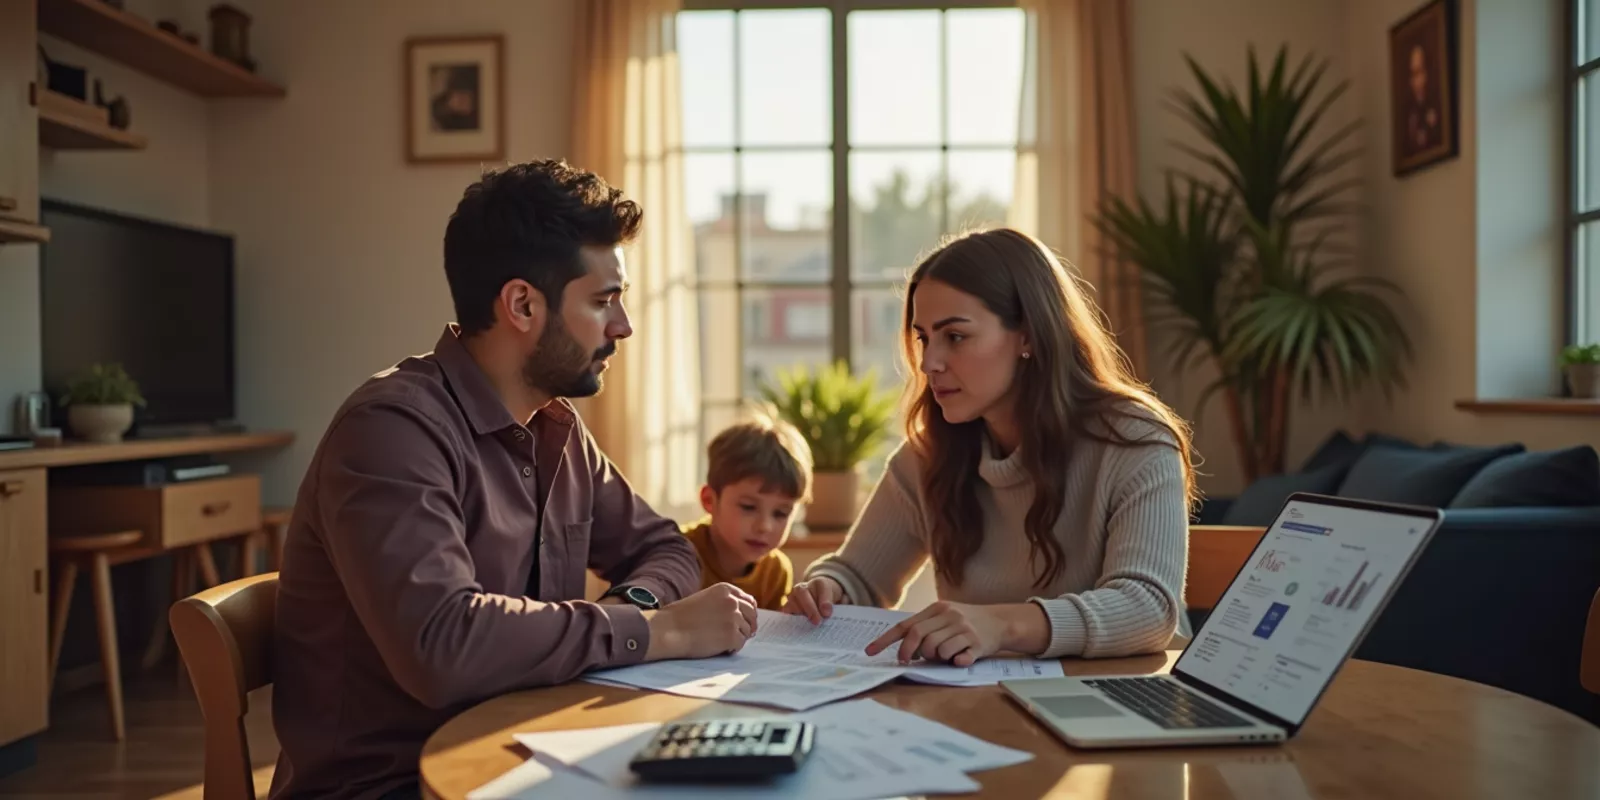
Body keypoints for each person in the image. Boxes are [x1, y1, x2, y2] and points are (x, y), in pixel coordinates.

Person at [269, 160, 759, 800]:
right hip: (394, 787)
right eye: (603, 300)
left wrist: (631, 608)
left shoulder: (556, 427)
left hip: (530, 759)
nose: (624, 326)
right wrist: (662, 630)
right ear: (523, 304)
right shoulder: (391, 431)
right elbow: (443, 644)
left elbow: (664, 548)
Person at [783, 227, 1197, 667]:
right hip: (987, 703)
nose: (929, 363)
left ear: (1028, 336)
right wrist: (828, 588)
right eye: (923, 337)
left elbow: (1148, 609)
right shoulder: (927, 456)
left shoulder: (1135, 441)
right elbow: (858, 575)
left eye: (955, 337)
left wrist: (999, 625)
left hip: (1123, 702)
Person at [681, 409, 813, 611]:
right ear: (709, 501)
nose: (764, 526)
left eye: (781, 513)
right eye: (749, 507)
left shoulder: (775, 572)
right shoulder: (677, 554)